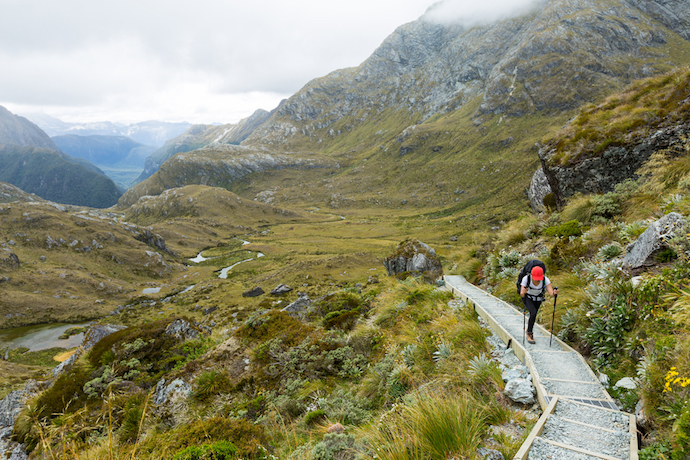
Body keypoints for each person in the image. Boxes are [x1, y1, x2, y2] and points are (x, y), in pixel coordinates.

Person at [520, 265, 558, 344]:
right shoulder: (526, 279)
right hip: (528, 298)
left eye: (539, 278)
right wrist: (523, 292)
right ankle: (529, 333)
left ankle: (529, 330)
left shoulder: (545, 280)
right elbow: (522, 294)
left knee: (534, 315)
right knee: (533, 313)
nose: (537, 280)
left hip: (538, 299)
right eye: (536, 278)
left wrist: (554, 293)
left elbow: (551, 294)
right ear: (531, 274)